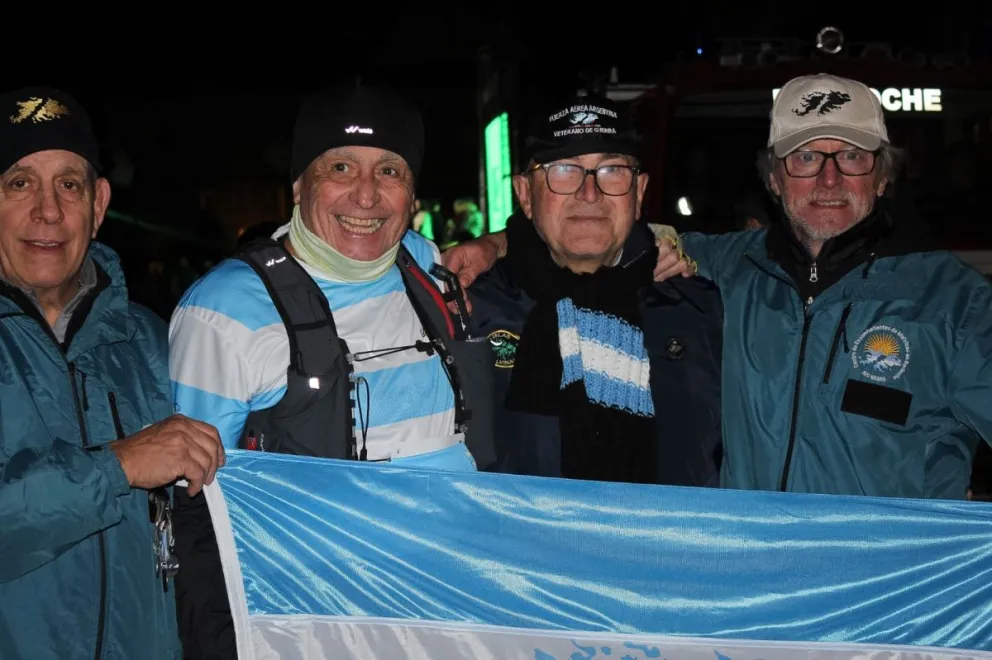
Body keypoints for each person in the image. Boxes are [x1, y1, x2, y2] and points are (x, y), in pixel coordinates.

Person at [168, 85, 494, 659]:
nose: (365, 196)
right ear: (299, 186)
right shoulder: (225, 310)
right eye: (340, 167)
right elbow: (200, 515)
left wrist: (499, 242)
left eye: (389, 170)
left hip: (451, 608)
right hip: (318, 624)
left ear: (412, 192)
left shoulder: (427, 268)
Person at [664, 73, 992, 498]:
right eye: (805, 158)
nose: (829, 180)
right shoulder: (722, 269)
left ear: (882, 176)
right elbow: (610, 243)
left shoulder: (954, 302)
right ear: (774, 179)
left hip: (889, 565)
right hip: (749, 559)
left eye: (852, 156)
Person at [0, 86, 224, 659]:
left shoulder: (151, 340)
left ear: (98, 205)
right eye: (19, 182)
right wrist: (117, 467)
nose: (47, 210)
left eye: (68, 185)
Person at [466, 94, 723, 486]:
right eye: (564, 170)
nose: (589, 194)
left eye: (612, 171)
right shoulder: (468, 311)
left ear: (638, 193)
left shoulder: (701, 311)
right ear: (524, 194)